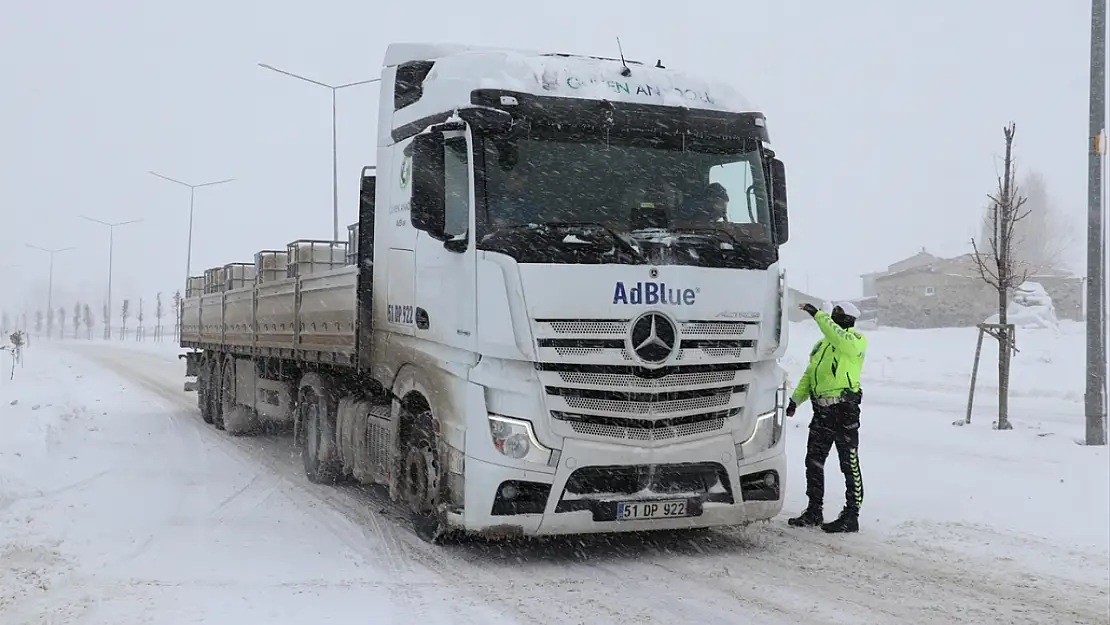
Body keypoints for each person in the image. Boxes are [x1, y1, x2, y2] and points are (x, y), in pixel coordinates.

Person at [786, 301, 868, 533]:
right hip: (822, 411)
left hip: (844, 410)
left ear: (849, 320)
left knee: (848, 463)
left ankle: (851, 515)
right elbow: (810, 374)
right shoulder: (821, 346)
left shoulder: (855, 341)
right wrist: (795, 400)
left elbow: (838, 336)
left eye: (837, 316)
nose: (833, 319)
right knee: (813, 461)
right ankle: (814, 510)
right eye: (832, 315)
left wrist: (817, 314)